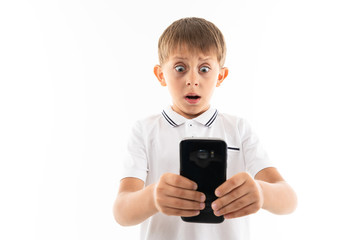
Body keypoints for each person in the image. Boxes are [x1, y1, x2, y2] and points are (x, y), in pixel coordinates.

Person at [113, 17, 297, 240]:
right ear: (161, 74)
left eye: (204, 69)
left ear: (220, 76)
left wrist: (261, 192)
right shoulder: (145, 130)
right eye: (180, 68)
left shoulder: (238, 128)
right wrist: (153, 197)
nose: (192, 80)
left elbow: (289, 199)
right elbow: (122, 212)